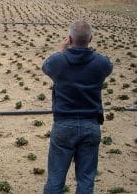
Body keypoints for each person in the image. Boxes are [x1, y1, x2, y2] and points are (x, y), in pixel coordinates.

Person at [42, 21, 113, 194]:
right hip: (91, 125)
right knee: (86, 180)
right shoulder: (102, 63)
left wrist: (61, 49)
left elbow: (46, 66)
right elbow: (108, 66)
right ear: (91, 39)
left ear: (70, 38)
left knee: (56, 179)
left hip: (64, 125)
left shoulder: (59, 60)